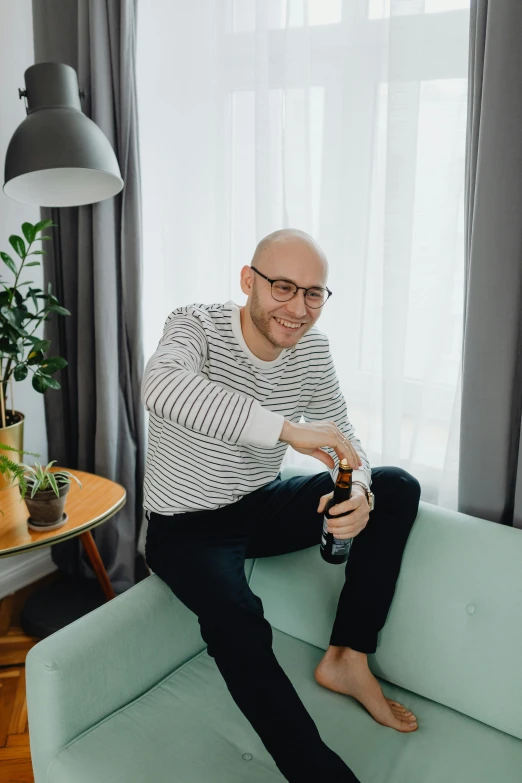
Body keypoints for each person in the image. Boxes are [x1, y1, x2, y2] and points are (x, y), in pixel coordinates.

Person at [141, 228, 421, 783]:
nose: (298, 308)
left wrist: (359, 490)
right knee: (239, 621)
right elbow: (161, 386)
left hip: (257, 506)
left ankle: (347, 658)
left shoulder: (312, 351)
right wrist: (287, 431)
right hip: (184, 527)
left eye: (313, 293)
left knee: (397, 486)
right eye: (283, 288)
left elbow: (346, 442)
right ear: (249, 281)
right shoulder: (195, 324)